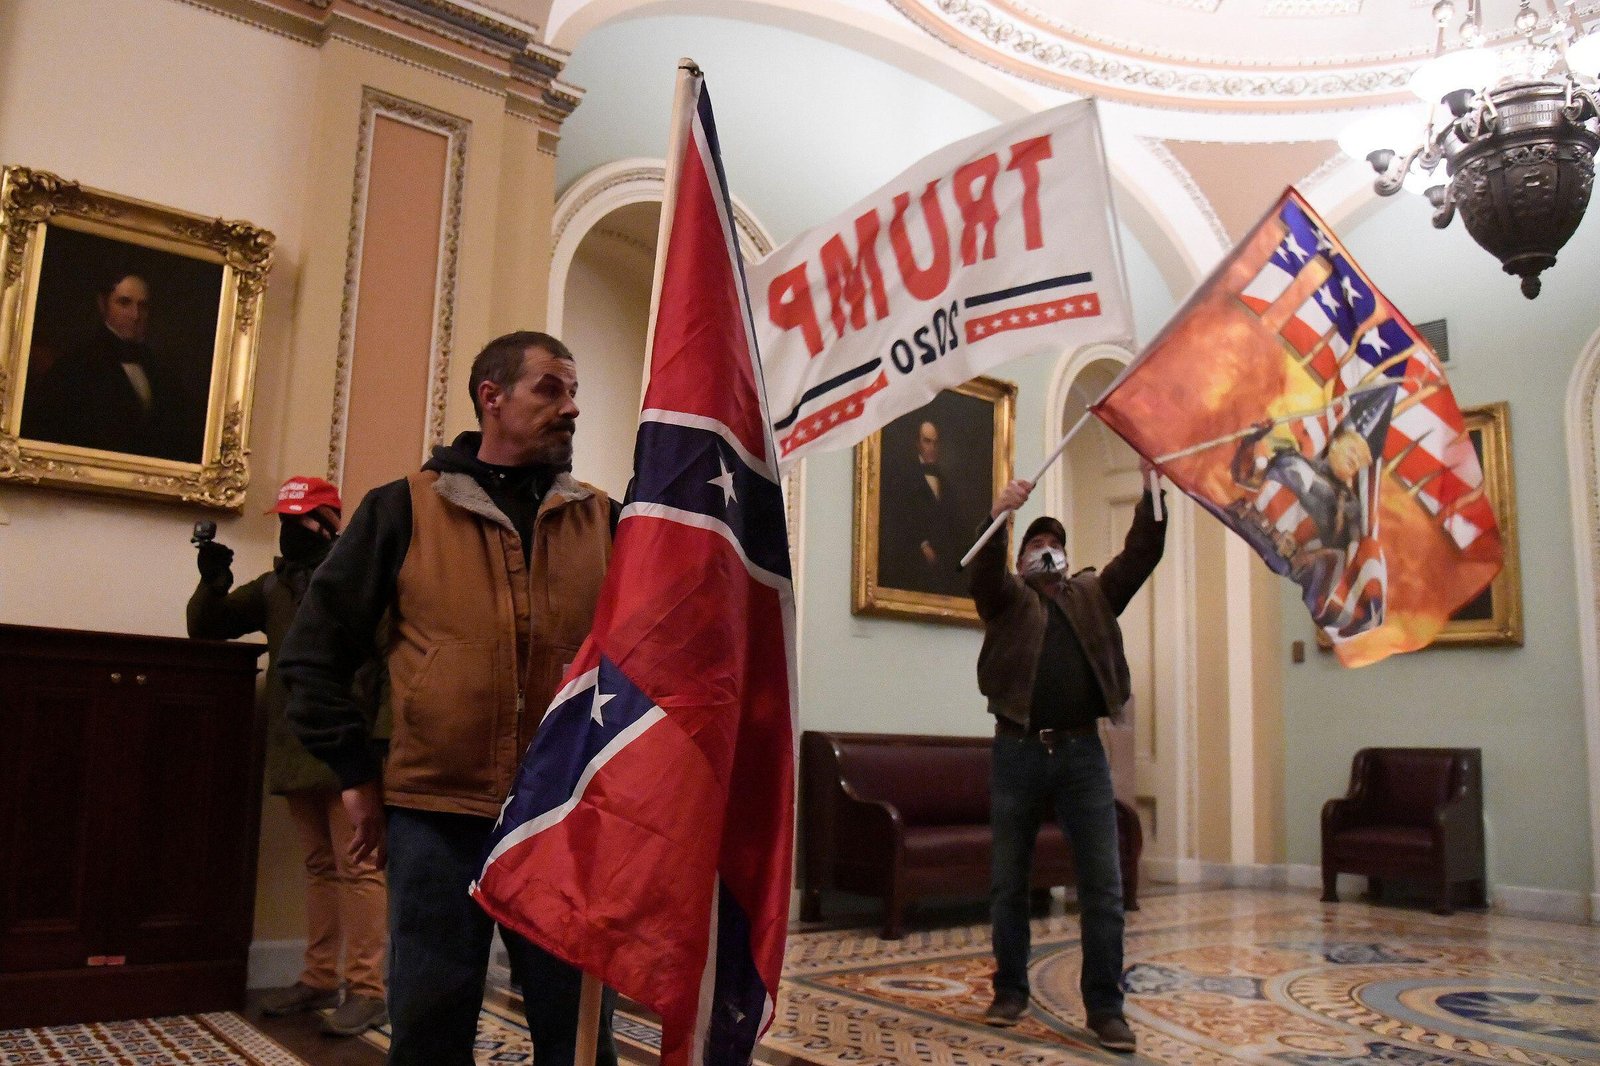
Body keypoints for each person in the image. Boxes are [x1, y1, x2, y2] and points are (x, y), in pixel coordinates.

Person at [278, 331, 620, 1066]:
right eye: (551, 390)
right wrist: (354, 772)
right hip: (438, 814)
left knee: (581, 1033)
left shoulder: (607, 520)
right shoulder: (401, 509)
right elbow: (312, 656)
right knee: (431, 1028)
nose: (572, 409)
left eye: (574, 392)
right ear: (491, 398)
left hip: (567, 820)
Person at [968, 468, 1166, 1054]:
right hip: (1017, 751)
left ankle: (1106, 1009)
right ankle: (1009, 992)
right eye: (1036, 543)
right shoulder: (1007, 599)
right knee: (1009, 883)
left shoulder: (1093, 595)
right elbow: (982, 569)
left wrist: (1153, 493)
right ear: (1024, 556)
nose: (1046, 552)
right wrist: (1001, 514)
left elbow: (1141, 553)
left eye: (1054, 544)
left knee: (1103, 886)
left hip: (1083, 754)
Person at [186, 475, 390, 1034]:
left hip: (347, 748)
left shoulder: (357, 582)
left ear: (329, 523)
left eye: (300, 519)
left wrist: (374, 750)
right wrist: (212, 581)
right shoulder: (274, 588)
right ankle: (320, 976)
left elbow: (387, 667)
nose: (290, 529)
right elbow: (206, 627)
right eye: (285, 518)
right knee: (321, 867)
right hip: (295, 746)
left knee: (360, 869)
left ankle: (368, 988)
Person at [22, 270, 204, 461]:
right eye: (124, 303)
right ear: (103, 305)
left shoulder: (161, 371)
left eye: (143, 306)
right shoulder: (75, 367)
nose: (135, 315)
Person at [879, 418, 967, 595]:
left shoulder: (945, 482)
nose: (931, 447)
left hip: (943, 562)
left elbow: (952, 522)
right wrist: (922, 545)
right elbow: (901, 518)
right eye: (927, 441)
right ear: (918, 444)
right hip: (913, 559)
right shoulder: (905, 477)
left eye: (935, 442)